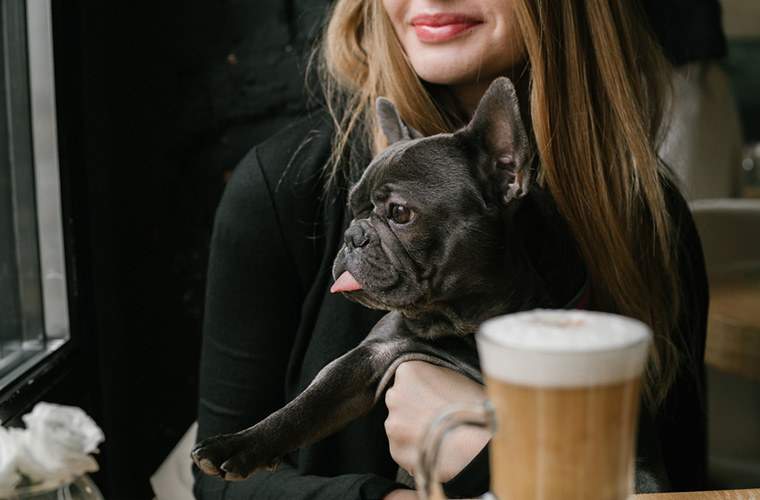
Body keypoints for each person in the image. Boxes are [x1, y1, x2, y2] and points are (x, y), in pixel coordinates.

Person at [193, 0, 724, 498]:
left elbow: (683, 485)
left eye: (399, 214)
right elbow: (218, 483)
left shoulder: (645, 214)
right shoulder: (285, 183)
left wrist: (495, 455)